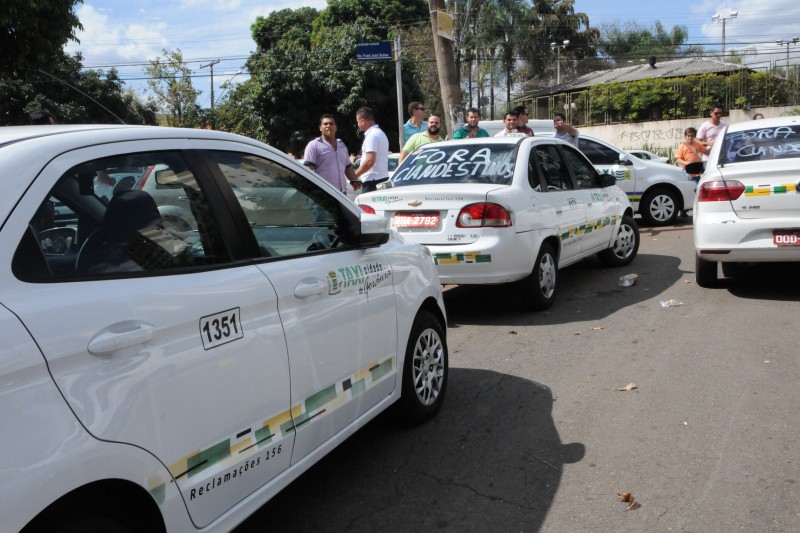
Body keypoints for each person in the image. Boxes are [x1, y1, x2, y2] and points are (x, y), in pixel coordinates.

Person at [303, 114, 358, 194]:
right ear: (320, 128)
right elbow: (308, 170)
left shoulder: (342, 145)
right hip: (323, 194)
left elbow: (348, 167)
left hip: (342, 193)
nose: (328, 126)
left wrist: (354, 181)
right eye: (325, 124)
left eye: (331, 124)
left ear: (336, 127)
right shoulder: (313, 145)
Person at [354, 107, 390, 193]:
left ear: (362, 121)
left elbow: (370, 161)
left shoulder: (372, 135)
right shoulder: (379, 133)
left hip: (373, 182)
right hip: (379, 179)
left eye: (357, 122)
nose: (357, 124)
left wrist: (354, 176)